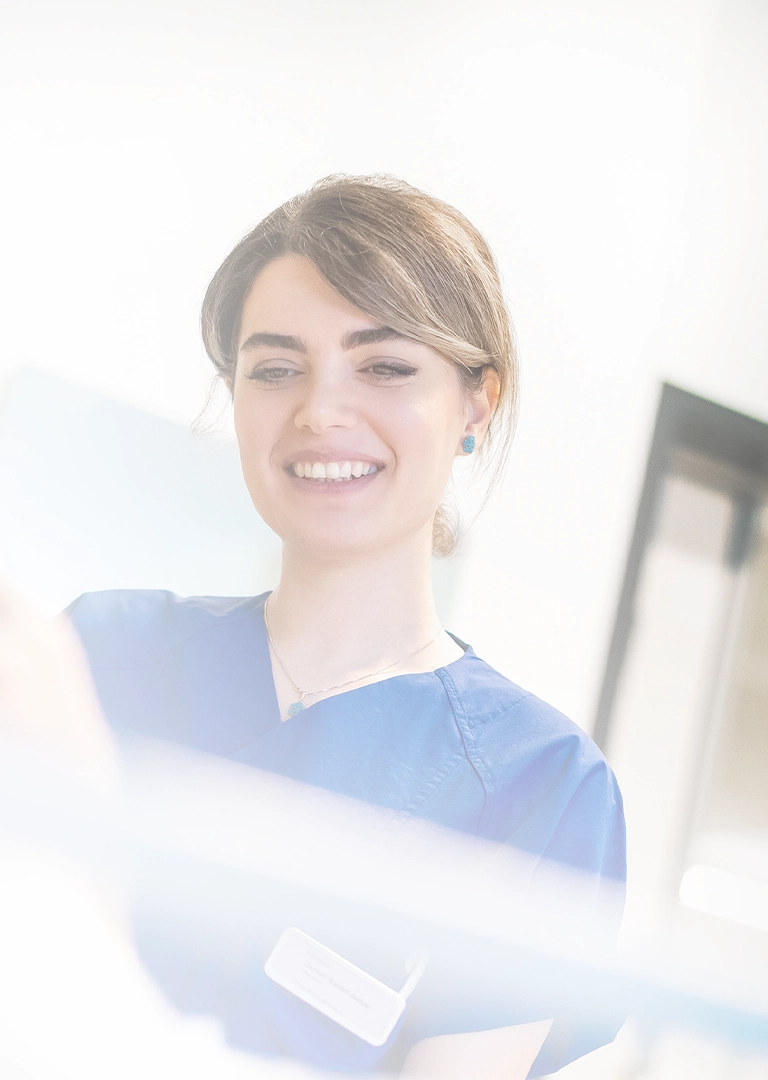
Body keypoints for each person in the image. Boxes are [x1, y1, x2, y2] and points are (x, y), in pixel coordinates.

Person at [64, 175, 626, 1078]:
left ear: (477, 404)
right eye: (276, 368)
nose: (320, 411)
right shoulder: (96, 653)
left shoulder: (542, 786)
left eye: (386, 367)